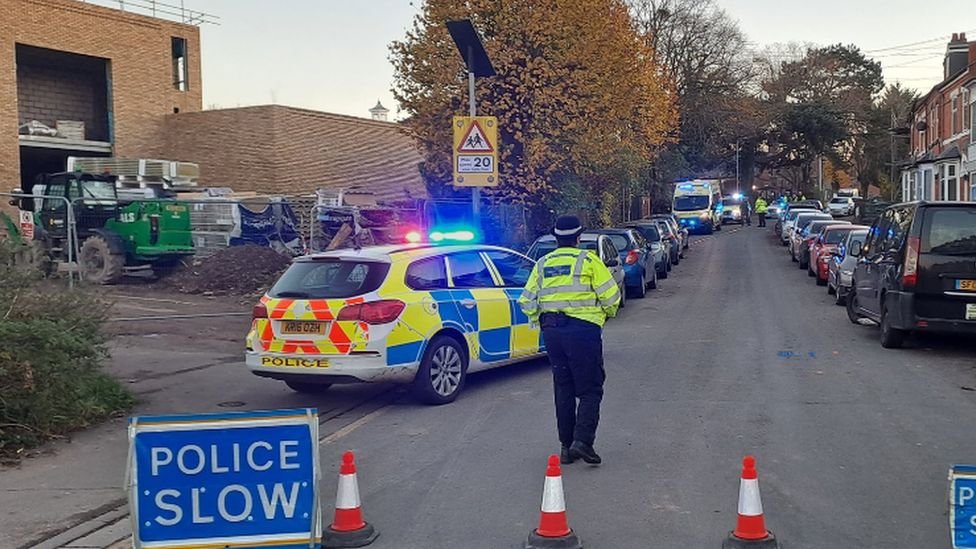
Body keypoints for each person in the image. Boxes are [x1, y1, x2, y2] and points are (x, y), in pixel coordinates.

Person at [519, 216, 620, 465]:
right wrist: (604, 316)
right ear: (578, 238)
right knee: (590, 388)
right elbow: (611, 296)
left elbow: (527, 301)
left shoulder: (542, 264)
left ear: (555, 238)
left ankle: (566, 447)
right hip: (583, 331)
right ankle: (583, 442)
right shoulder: (588, 260)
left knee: (563, 387)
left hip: (552, 333)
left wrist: (539, 319)